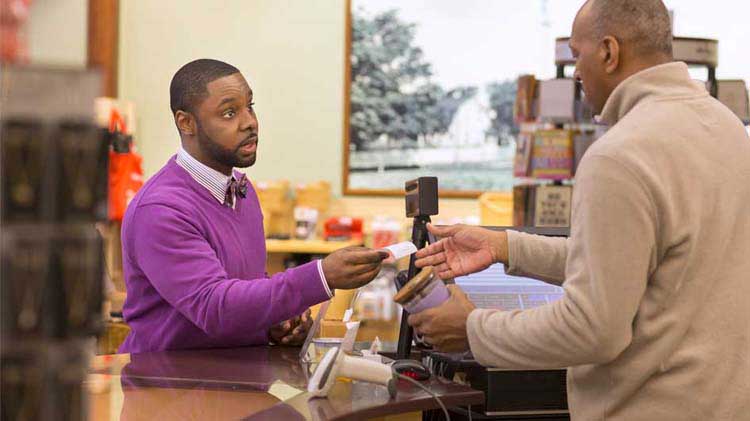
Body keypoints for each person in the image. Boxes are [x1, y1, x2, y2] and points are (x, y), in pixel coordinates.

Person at [409, 0, 750, 419]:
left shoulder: (621, 155)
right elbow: (639, 266)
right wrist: (505, 247)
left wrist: (471, 327)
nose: (574, 74)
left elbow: (593, 328)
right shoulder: (728, 128)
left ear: (609, 52)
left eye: (577, 55)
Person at [119, 59, 387, 353]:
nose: (250, 122)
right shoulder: (161, 210)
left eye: (250, 106)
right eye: (230, 112)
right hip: (168, 388)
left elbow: (246, 287)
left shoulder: (242, 191)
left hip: (232, 383)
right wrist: (319, 276)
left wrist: (276, 321)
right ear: (186, 123)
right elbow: (215, 307)